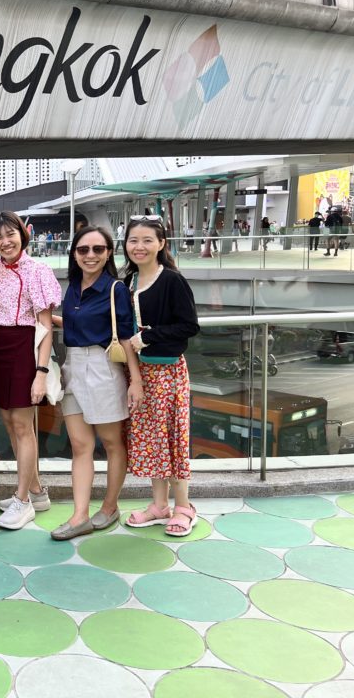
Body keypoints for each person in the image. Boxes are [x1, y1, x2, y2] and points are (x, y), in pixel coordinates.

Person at [50, 226, 143, 540]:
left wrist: (136, 381)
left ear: (108, 253)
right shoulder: (73, 286)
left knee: (113, 443)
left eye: (98, 249)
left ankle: (109, 506)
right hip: (72, 365)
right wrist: (47, 318)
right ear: (74, 253)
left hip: (103, 367)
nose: (90, 255)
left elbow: (127, 336)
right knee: (80, 445)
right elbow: (80, 323)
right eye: (83, 249)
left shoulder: (115, 288)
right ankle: (79, 516)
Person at [121, 217, 201, 536]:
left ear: (161, 244)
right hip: (142, 372)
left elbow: (189, 325)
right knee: (151, 440)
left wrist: (148, 336)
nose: (139, 247)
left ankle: (183, 507)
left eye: (146, 240)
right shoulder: (128, 282)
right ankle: (158, 505)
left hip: (168, 371)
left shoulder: (171, 280)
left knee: (173, 437)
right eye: (133, 240)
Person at [0, 212, 62, 530]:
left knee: (22, 425)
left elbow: (45, 326)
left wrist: (41, 372)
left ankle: (23, 501)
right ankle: (36, 491)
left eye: (10, 233)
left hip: (24, 347)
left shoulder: (39, 270)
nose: (5, 241)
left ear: (23, 233)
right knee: (8, 420)